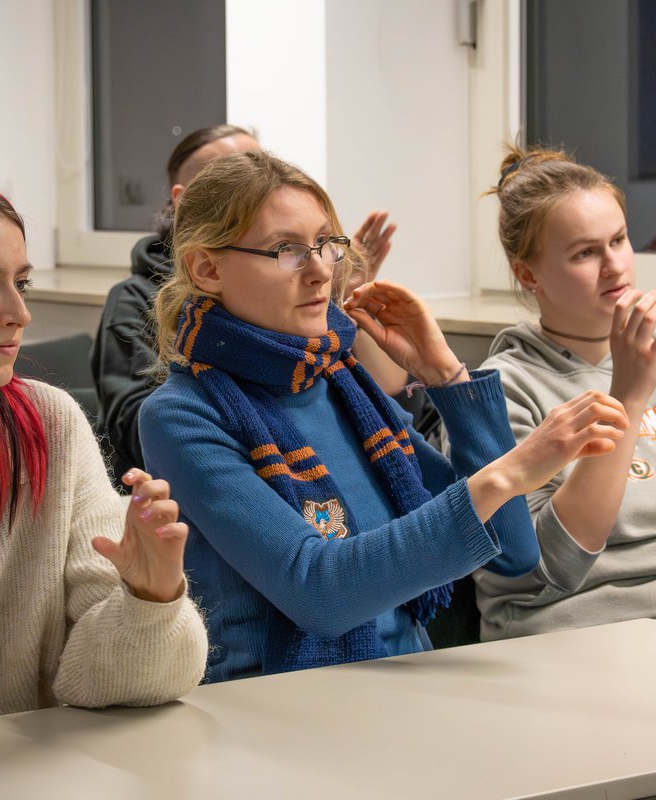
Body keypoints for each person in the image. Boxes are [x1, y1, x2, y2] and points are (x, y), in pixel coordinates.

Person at [138, 150, 628, 683]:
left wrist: (446, 377)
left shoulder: (343, 382)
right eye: (287, 250)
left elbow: (512, 551)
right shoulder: (182, 415)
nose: (322, 270)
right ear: (208, 268)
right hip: (277, 702)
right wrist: (510, 472)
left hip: (402, 683)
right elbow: (320, 592)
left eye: (326, 243)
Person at [0, 176, 207, 736]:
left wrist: (150, 599)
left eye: (21, 282)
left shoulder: (49, 425)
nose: (19, 313)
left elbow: (106, 682)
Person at [91, 125, 398, 483]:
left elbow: (395, 405)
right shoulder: (139, 308)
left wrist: (339, 302)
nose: (256, 181)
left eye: (259, 163)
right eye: (231, 172)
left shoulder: (313, 325)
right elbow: (136, 437)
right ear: (186, 200)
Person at [476, 144, 656, 640]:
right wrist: (627, 396)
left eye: (620, 240)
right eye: (585, 252)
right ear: (528, 274)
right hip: (582, 628)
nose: (615, 266)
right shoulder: (502, 391)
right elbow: (553, 566)